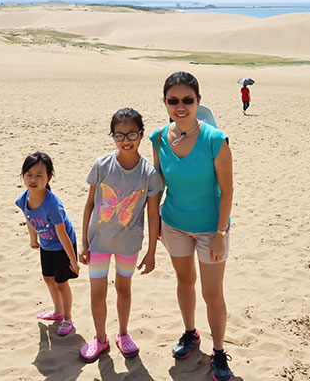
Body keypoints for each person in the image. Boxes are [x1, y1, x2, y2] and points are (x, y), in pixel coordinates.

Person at [150, 71, 234, 381]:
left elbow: (227, 191)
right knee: (184, 282)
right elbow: (157, 185)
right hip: (173, 225)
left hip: (211, 229)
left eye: (188, 100)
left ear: (198, 101)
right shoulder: (158, 138)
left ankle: (219, 350)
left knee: (213, 293)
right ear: (165, 102)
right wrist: (156, 224)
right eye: (173, 101)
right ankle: (190, 333)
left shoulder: (215, 139)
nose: (180, 106)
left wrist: (221, 234)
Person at [79, 108, 163, 363]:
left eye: (132, 134)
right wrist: (83, 242)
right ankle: (100, 337)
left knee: (124, 290)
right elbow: (90, 204)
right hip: (98, 242)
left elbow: (152, 214)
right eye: (119, 135)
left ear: (141, 135)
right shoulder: (102, 164)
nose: (126, 140)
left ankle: (123, 334)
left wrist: (151, 251)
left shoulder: (149, 173)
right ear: (112, 136)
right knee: (97, 293)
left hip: (129, 245)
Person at [16, 152, 80, 336]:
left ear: (48, 178)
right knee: (48, 278)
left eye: (39, 175)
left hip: (62, 246)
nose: (33, 179)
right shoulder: (24, 198)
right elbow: (28, 217)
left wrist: (73, 260)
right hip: (46, 244)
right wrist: (33, 239)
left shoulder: (53, 206)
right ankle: (57, 312)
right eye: (28, 174)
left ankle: (67, 317)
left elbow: (63, 235)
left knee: (61, 283)